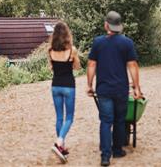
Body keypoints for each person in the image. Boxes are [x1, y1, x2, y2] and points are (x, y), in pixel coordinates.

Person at [87, 11, 142, 166]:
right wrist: (137, 87)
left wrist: (89, 85)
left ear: (106, 25)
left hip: (103, 89)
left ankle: (105, 156)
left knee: (105, 121)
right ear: (119, 27)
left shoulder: (98, 42)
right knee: (119, 120)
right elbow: (132, 66)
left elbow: (91, 64)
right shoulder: (127, 43)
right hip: (121, 89)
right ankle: (117, 150)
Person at [48, 21, 81, 163]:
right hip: (68, 86)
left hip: (55, 86)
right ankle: (59, 142)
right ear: (67, 34)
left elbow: (51, 67)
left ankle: (61, 148)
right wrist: (72, 61)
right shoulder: (72, 50)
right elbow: (78, 67)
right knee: (69, 118)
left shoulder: (50, 51)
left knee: (59, 118)